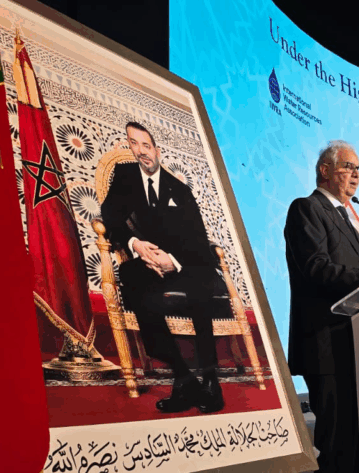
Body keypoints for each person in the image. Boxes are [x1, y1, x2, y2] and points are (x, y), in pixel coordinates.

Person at [101, 121, 226, 414]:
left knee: (200, 280)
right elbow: (110, 215)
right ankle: (184, 378)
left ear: (157, 150)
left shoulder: (179, 189)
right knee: (131, 275)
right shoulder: (124, 176)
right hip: (147, 263)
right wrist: (135, 245)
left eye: (146, 145)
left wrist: (173, 261)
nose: (141, 151)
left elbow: (197, 238)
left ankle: (211, 380)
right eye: (134, 144)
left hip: (184, 263)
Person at [285, 140, 359, 473]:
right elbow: (316, 268)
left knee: (357, 442)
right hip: (325, 343)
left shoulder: (346, 218)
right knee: (337, 443)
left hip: (353, 343)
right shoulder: (306, 208)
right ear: (325, 171)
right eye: (348, 167)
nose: (356, 175)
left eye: (358, 170)